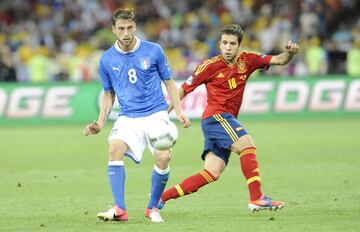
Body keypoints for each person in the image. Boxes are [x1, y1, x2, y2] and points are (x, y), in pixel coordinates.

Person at [159, 24, 299, 212]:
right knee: (247, 145)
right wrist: (168, 112)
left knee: (212, 172)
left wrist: (290, 53)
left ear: (239, 46)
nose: (228, 47)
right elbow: (184, 88)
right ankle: (257, 198)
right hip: (216, 117)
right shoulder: (209, 66)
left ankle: (160, 198)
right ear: (219, 44)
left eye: (232, 43)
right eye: (224, 43)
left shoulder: (249, 60)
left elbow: (280, 60)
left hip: (222, 121)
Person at [83, 8, 190, 223]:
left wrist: (177, 110)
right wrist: (100, 122)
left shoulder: (154, 50)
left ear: (135, 27)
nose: (125, 33)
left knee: (163, 157)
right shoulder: (106, 60)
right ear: (113, 30)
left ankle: (152, 208)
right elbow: (108, 94)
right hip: (128, 116)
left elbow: (169, 82)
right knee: (114, 148)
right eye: (121, 28)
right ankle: (120, 209)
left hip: (156, 113)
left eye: (129, 28)